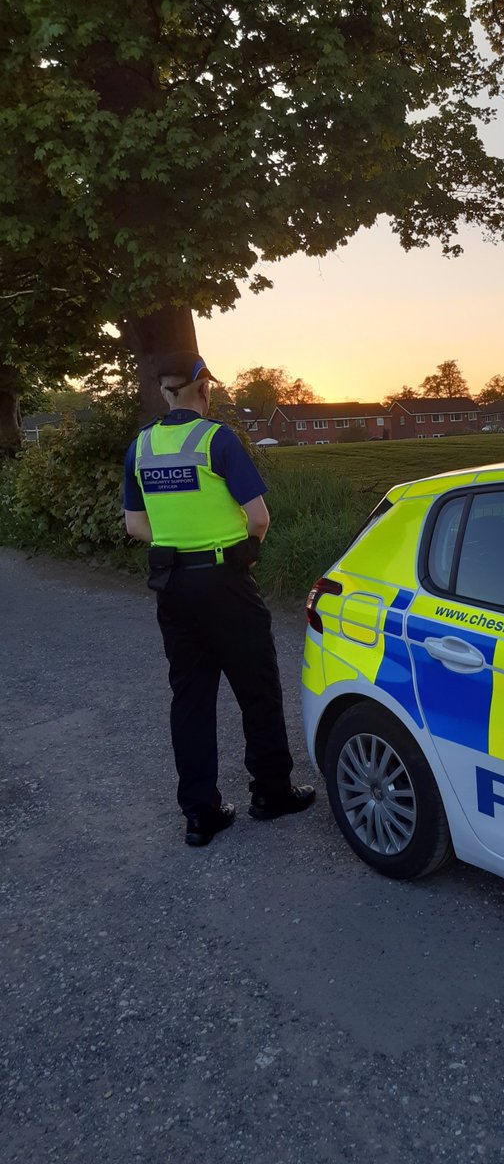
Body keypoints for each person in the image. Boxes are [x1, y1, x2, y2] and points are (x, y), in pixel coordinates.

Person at [122, 351, 315, 846]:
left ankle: (200, 813)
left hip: (172, 586)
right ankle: (272, 794)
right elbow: (259, 518)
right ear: (204, 387)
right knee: (257, 688)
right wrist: (245, 553)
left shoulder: (141, 446)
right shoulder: (216, 439)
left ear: (166, 392)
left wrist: (177, 543)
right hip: (224, 581)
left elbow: (136, 525)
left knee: (190, 697)